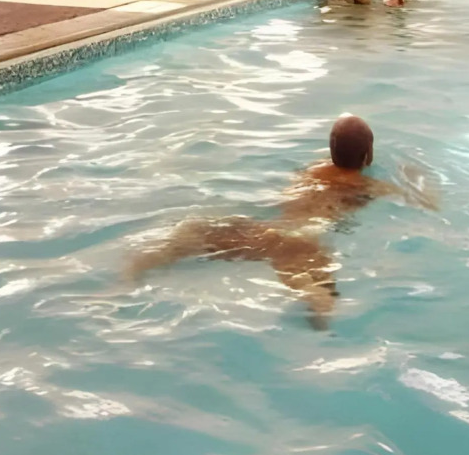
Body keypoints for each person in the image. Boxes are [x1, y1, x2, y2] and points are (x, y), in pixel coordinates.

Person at [126, 115, 438, 330]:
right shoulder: (368, 186)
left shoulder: (312, 170)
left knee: (192, 231)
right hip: (304, 244)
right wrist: (414, 177)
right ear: (368, 154)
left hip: (268, 232)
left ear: (331, 151)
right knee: (321, 304)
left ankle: (125, 281)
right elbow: (427, 205)